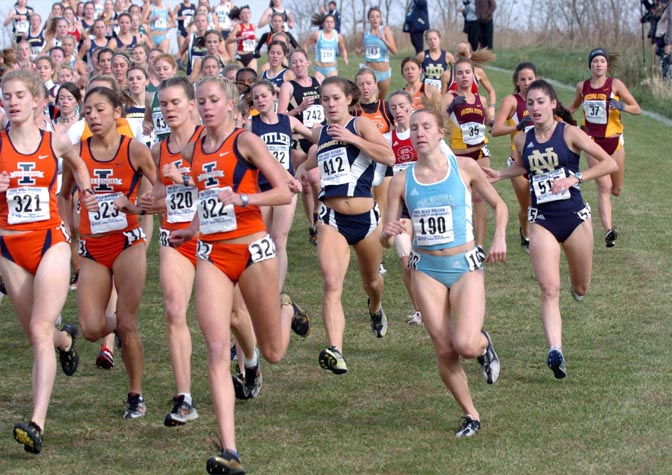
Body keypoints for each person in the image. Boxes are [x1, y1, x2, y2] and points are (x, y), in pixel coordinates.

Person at [168, 76, 303, 475]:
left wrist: (244, 198)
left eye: (214, 100)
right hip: (212, 253)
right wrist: (193, 228)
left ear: (229, 104)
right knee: (215, 348)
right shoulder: (194, 148)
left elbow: (284, 191)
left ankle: (286, 308)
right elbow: (205, 195)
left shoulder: (245, 142)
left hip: (252, 248)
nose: (207, 107)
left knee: (274, 352)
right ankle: (230, 450)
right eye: (201, 101)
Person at [380, 105, 506, 437]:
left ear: (440, 133)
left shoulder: (464, 167)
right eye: (413, 128)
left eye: (425, 127)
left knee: (464, 343)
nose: (419, 133)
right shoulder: (400, 181)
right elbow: (383, 236)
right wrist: (390, 231)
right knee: (444, 348)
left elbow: (500, 205)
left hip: (464, 267)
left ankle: (482, 345)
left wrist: (499, 237)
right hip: (426, 270)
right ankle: (471, 414)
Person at [484, 79, 618, 379]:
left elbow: (609, 164)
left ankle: (578, 288)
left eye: (540, 102)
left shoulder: (570, 133)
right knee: (548, 289)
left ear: (553, 104)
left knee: (580, 287)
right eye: (530, 103)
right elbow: (525, 167)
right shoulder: (523, 139)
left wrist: (577, 178)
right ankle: (555, 350)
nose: (534, 108)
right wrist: (500, 174)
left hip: (575, 217)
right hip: (541, 219)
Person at [0, 69, 96, 454]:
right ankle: (66, 338)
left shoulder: (54, 141)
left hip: (49, 241)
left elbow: (79, 162)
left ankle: (36, 423)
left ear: (39, 100)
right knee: (38, 335)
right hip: (9, 248)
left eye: (20, 94)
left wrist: (86, 191)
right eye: (7, 95)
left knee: (39, 327)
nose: (13, 101)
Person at [59, 86, 157, 418]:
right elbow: (63, 194)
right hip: (92, 248)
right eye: (88, 111)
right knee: (89, 328)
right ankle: (119, 325)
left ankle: (135, 394)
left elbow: (163, 195)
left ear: (117, 112)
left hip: (128, 243)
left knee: (128, 324)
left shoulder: (136, 150)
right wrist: (68, 225)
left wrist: (135, 207)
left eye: (100, 110)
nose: (93, 117)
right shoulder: (76, 152)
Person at [294, 76, 395, 374]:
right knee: (331, 283)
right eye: (325, 99)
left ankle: (375, 308)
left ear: (349, 99)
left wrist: (353, 139)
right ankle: (335, 350)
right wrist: (300, 169)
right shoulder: (323, 132)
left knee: (372, 281)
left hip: (365, 220)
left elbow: (388, 156)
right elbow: (319, 158)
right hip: (331, 219)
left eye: (336, 98)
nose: (330, 103)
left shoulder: (360, 124)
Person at [568, 49, 641, 248]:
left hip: (614, 141)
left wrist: (622, 106)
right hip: (593, 142)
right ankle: (609, 231)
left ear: (607, 65)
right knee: (605, 187)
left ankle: (608, 224)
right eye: (595, 61)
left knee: (616, 189)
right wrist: (553, 113)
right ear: (590, 65)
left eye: (602, 61)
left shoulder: (616, 85)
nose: (598, 64)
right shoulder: (582, 87)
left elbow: (637, 108)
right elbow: (573, 108)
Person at [444, 58, 494, 251]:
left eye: (467, 72)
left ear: (474, 75)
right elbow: (436, 121)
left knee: (480, 198)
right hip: (459, 154)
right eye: (460, 73)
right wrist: (449, 108)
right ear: (455, 76)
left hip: (481, 152)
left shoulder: (480, 99)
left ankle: (479, 245)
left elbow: (489, 123)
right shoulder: (450, 96)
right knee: (459, 198)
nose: (464, 76)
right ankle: (461, 241)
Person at [383, 90, 422, 325]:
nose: (397, 111)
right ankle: (420, 311)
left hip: (427, 205)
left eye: (401, 106)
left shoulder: (424, 135)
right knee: (407, 262)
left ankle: (437, 303)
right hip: (402, 208)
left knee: (430, 260)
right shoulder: (387, 140)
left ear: (411, 107)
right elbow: (379, 172)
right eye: (393, 107)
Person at [277, 49, 323, 246]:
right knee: (304, 185)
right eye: (294, 62)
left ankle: (319, 214)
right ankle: (312, 224)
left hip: (315, 137)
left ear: (308, 62)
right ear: (291, 66)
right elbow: (280, 115)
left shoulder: (319, 81)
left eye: (301, 61)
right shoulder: (288, 86)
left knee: (314, 177)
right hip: (297, 138)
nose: (298, 65)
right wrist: (299, 109)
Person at [491, 62, 537, 253]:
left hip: (541, 160)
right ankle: (525, 233)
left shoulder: (542, 98)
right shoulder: (512, 101)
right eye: (522, 79)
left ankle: (541, 239)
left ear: (536, 79)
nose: (526, 83)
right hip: (518, 162)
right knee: (526, 207)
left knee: (539, 204)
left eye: (530, 79)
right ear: (517, 82)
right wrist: (517, 127)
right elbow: (495, 130)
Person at [355, 7, 397, 101]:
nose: (375, 19)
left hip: (384, 72)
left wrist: (382, 39)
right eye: (372, 17)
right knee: (370, 100)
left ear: (380, 19)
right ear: (369, 19)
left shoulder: (385, 30)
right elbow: (365, 46)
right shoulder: (365, 33)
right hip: (370, 70)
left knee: (381, 101)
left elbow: (394, 51)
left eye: (377, 16)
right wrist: (360, 50)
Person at [304, 14, 348, 82]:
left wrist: (345, 58)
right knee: (319, 90)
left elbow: (343, 49)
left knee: (332, 89)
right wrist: (305, 59)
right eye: (327, 22)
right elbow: (305, 46)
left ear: (334, 24)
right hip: (319, 68)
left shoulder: (338, 36)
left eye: (331, 22)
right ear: (323, 24)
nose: (329, 24)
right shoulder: (317, 35)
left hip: (332, 68)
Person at [226, 5, 257, 70]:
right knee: (241, 77)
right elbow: (228, 40)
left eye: (248, 13)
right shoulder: (238, 26)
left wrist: (263, 40)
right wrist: (240, 37)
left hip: (251, 55)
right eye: (244, 13)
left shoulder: (253, 26)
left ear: (250, 15)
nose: (246, 15)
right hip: (240, 55)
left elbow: (253, 38)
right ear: (240, 16)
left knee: (253, 76)